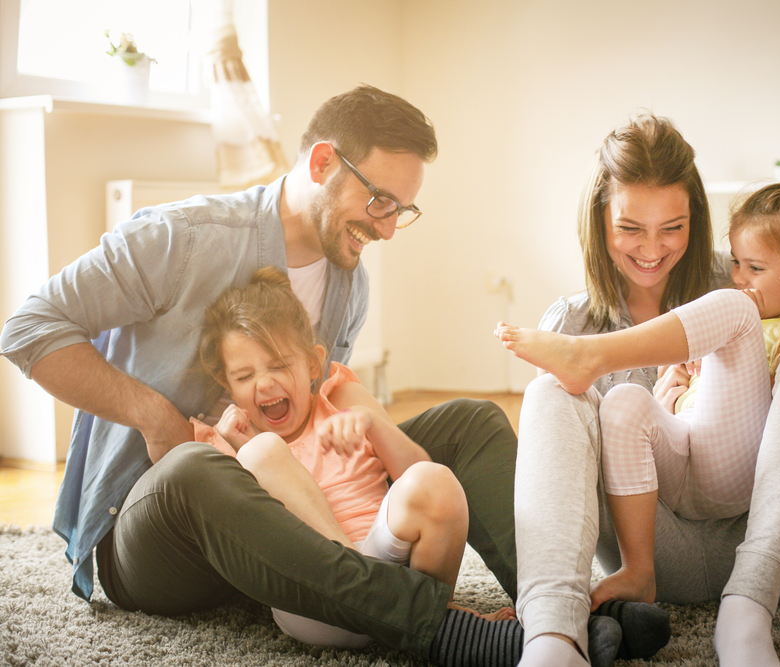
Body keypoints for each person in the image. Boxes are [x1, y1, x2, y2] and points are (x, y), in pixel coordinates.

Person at [0, 85, 523, 667]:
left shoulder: (350, 285)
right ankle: (439, 628)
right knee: (199, 467)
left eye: (401, 209)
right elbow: (28, 328)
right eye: (379, 200)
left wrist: (354, 431)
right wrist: (156, 418)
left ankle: (557, 611)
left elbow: (318, 434)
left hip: (286, 540)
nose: (389, 228)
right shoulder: (183, 237)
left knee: (470, 421)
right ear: (323, 161)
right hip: (165, 536)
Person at [509, 113, 780, 667]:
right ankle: (552, 640)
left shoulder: (744, 279)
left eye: (672, 227)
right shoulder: (571, 320)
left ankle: (748, 612)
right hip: (656, 553)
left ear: (696, 220)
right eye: (630, 227)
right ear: (598, 220)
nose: (652, 249)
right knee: (547, 394)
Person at [193, 267, 515, 647]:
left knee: (436, 480)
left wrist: (374, 426)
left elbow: (421, 477)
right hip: (313, 596)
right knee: (262, 451)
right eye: (244, 376)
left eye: (279, 365)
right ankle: (431, 619)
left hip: (393, 576)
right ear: (225, 384)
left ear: (313, 364)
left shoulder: (340, 399)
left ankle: (435, 622)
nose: (264, 383)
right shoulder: (226, 439)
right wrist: (238, 446)